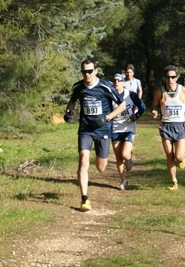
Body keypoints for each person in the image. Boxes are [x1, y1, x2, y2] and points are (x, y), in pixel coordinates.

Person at [64, 59, 126, 212]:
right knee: (83, 160)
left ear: (96, 71)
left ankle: (105, 160)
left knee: (101, 167)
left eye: (90, 71)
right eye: (84, 72)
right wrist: (68, 112)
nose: (87, 74)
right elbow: (72, 102)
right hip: (85, 129)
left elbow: (122, 106)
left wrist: (106, 118)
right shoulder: (78, 87)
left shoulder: (105, 86)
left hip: (103, 130)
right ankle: (84, 199)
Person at [151, 65, 185, 190]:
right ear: (164, 78)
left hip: (180, 127)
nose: (170, 80)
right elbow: (154, 106)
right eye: (167, 77)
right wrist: (154, 111)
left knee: (179, 157)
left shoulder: (183, 91)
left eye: (173, 77)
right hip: (166, 127)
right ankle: (174, 182)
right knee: (169, 155)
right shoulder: (160, 92)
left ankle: (181, 158)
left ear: (177, 78)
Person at [111, 73, 146, 190]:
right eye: (114, 80)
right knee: (118, 158)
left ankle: (129, 157)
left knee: (124, 154)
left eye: (119, 80)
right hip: (115, 128)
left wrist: (135, 117)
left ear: (123, 83)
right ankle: (123, 181)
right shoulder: (109, 96)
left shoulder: (130, 94)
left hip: (128, 128)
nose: (116, 82)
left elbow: (142, 107)